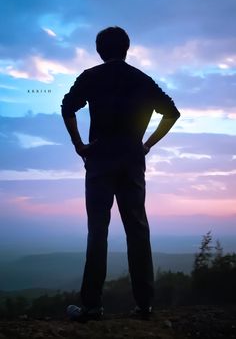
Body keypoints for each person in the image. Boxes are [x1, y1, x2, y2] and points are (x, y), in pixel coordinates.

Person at [61, 26, 180, 322]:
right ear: (126, 49)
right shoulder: (141, 79)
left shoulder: (91, 76)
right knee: (137, 229)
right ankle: (144, 305)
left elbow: (67, 107)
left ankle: (91, 306)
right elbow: (172, 113)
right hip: (131, 161)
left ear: (100, 50)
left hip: (99, 160)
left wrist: (79, 145)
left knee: (97, 231)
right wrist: (146, 145)